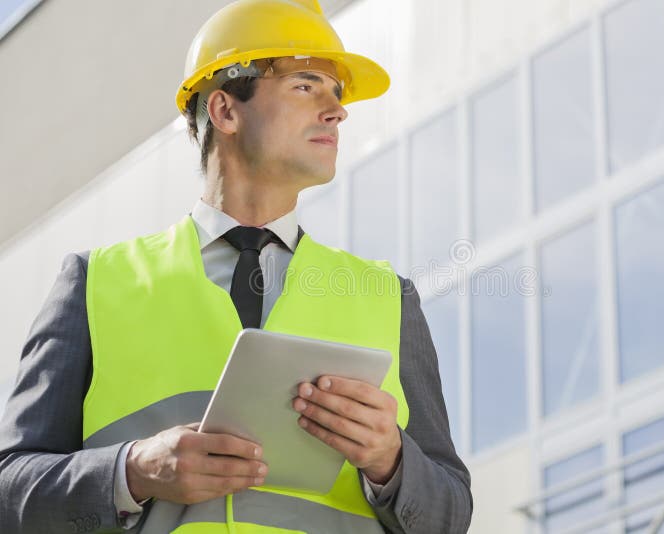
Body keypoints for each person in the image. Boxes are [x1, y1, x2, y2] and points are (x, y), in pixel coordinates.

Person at [0, 0, 472, 532]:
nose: (336, 111)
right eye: (306, 85)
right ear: (225, 111)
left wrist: (390, 459)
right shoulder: (95, 283)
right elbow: (10, 491)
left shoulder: (388, 296)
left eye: (337, 95)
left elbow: (450, 514)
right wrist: (133, 471)